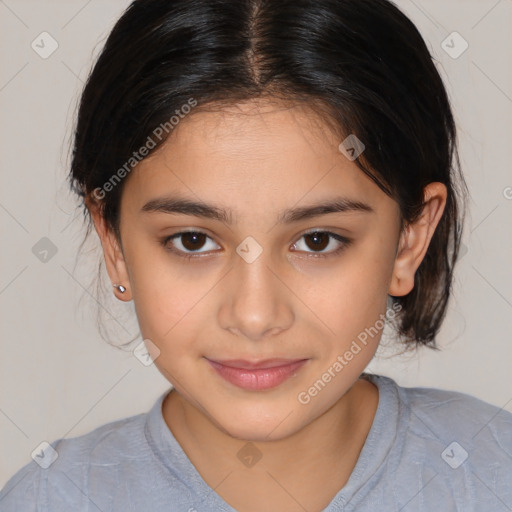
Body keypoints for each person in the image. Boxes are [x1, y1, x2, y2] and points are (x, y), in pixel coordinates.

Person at [1, 0, 511, 510]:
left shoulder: (494, 473)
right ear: (113, 243)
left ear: (409, 240)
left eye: (318, 241)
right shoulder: (50, 499)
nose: (254, 316)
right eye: (193, 241)